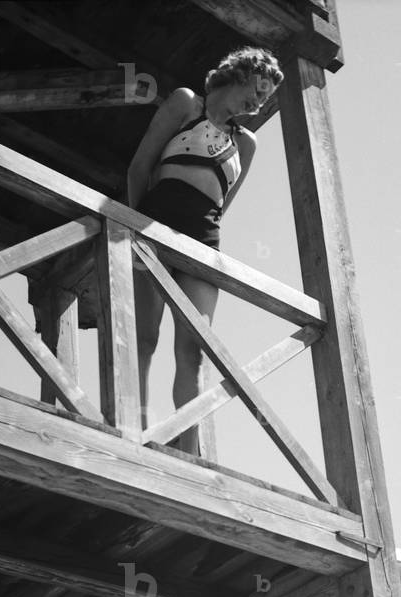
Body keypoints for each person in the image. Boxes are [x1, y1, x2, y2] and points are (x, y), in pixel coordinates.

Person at [127, 47, 283, 454]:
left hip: (203, 240)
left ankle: (187, 449)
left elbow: (222, 206)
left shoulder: (246, 144)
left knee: (193, 349)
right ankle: (136, 432)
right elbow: (140, 166)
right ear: (239, 74)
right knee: (144, 337)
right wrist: (136, 225)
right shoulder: (185, 103)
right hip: (153, 225)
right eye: (258, 88)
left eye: (266, 99)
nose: (259, 101)